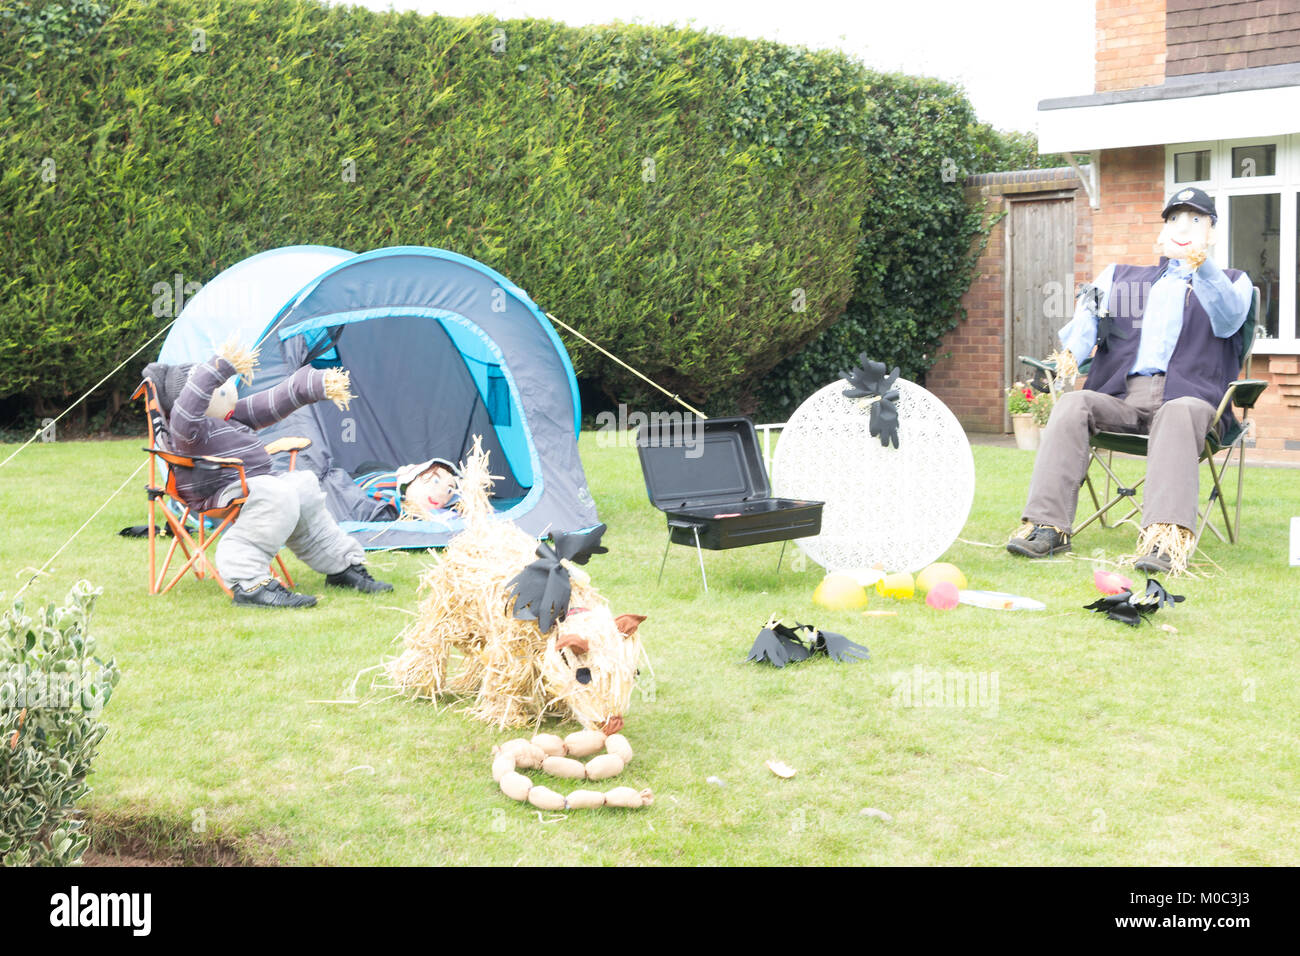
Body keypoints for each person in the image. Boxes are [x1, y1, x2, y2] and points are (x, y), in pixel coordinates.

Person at [1007, 187, 1253, 575]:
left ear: (1213, 231)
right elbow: (1086, 318)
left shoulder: (1233, 281)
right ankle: (1047, 526)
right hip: (1124, 396)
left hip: (1191, 400)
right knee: (1073, 404)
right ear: (1161, 232)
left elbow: (1227, 318)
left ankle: (1164, 541)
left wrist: (1200, 263)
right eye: (1173, 219)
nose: (1182, 227)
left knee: (1177, 411)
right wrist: (1070, 354)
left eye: (1195, 220)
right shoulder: (1122, 278)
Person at [142, 340, 393, 607]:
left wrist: (312, 386)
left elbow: (271, 403)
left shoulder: (229, 417)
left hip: (253, 484)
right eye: (220, 389)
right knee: (277, 492)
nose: (230, 392)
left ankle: (340, 565)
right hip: (217, 490)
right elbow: (188, 407)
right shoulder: (187, 430)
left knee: (304, 485)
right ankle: (248, 583)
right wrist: (217, 366)